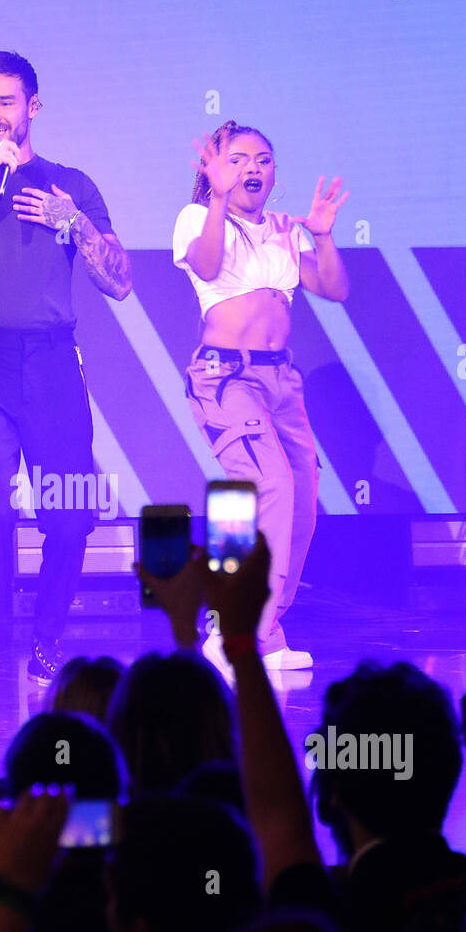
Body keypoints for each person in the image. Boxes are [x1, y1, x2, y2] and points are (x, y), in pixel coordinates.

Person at [0, 51, 131, 699]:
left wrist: (77, 222)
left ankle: (47, 641)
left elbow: (119, 282)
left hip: (51, 364)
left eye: (5, 102)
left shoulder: (70, 184)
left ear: (32, 106)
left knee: (68, 516)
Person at [173, 120, 349, 672]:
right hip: (225, 378)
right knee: (268, 486)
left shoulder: (281, 228)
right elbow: (205, 265)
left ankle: (267, 629)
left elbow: (334, 289)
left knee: (301, 496)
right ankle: (231, 628)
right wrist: (219, 200)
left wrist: (320, 234)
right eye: (239, 157)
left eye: (264, 159)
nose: (254, 167)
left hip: (281, 381)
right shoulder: (198, 219)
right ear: (213, 168)